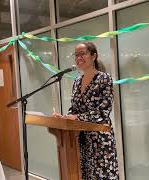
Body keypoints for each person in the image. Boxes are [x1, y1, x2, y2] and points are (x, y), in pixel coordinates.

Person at [54, 42, 119, 179]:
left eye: (82, 54)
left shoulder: (104, 79)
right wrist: (64, 117)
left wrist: (76, 118)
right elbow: (74, 109)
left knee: (102, 176)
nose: (78, 58)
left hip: (100, 139)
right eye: (76, 55)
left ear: (93, 56)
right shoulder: (77, 81)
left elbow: (103, 112)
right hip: (82, 138)